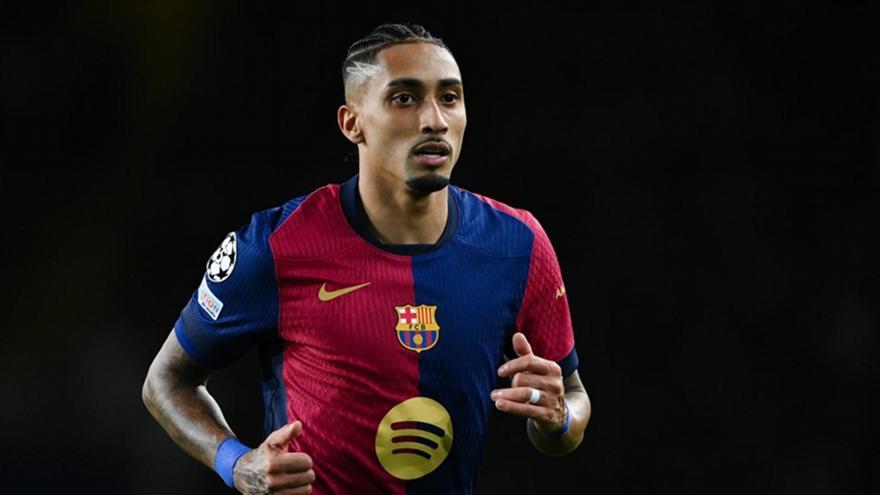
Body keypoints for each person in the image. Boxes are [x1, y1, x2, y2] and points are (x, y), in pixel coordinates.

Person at [142, 22, 591, 494]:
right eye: (405, 98)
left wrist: (559, 418)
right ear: (351, 123)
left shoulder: (518, 244)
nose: (434, 119)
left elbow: (572, 400)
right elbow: (166, 382)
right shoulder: (275, 245)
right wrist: (237, 464)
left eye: (450, 98)